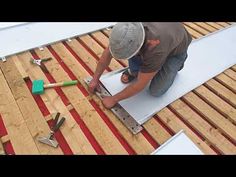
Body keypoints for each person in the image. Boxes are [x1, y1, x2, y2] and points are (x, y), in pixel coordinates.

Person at [89, 22, 192, 109]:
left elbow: (140, 84)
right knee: (138, 69)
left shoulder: (155, 49)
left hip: (176, 51)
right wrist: (95, 79)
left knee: (156, 91)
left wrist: (114, 99)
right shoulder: (128, 31)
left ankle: (176, 63)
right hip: (161, 39)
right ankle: (149, 68)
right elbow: (107, 54)